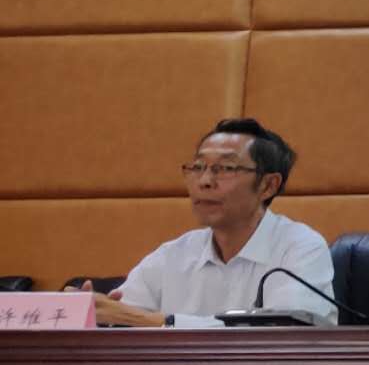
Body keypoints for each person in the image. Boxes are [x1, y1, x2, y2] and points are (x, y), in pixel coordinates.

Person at [88, 118, 337, 327]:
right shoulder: (173, 255)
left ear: (267, 185)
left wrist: (155, 321)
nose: (205, 181)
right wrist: (85, 312)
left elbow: (280, 337)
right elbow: (120, 316)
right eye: (197, 167)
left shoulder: (300, 248)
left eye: (225, 168)